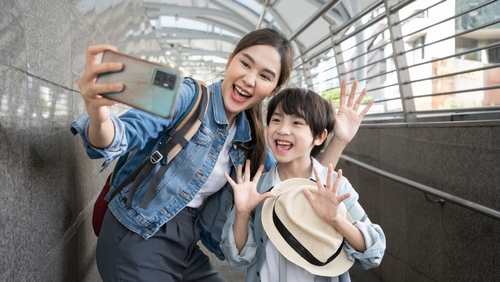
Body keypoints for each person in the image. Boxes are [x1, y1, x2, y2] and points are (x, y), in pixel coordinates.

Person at [71, 27, 371, 282]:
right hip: (137, 232)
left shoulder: (252, 139)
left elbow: (296, 183)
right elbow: (122, 134)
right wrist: (99, 116)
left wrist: (339, 140)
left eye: (265, 76)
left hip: (188, 243)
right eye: (245, 64)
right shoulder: (186, 95)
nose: (250, 79)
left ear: (272, 90)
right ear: (230, 61)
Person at [220, 88, 386, 282]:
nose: (282, 129)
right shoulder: (257, 188)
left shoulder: (335, 187)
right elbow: (237, 258)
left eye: (297, 122)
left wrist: (336, 220)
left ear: (320, 137)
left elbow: (374, 252)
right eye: (276, 120)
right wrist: (241, 214)